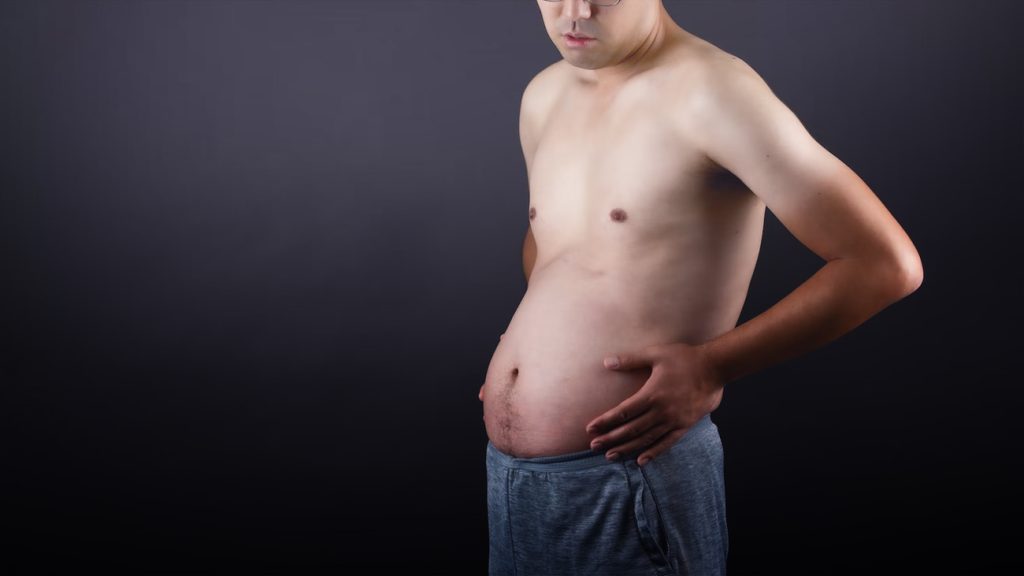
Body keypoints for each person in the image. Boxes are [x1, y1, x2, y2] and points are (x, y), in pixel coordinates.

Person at [478, 1, 923, 574]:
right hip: (511, 484)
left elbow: (885, 263)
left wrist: (713, 366)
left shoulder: (713, 92)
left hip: (631, 475)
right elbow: (555, 246)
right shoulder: (544, 94)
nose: (577, 11)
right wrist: (531, 356)